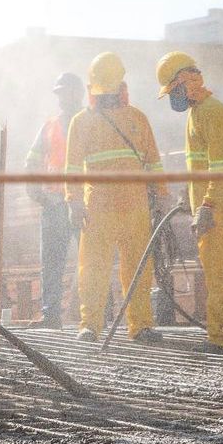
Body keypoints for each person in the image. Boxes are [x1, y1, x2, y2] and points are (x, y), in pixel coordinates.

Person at [65, 52, 166, 345]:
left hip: (134, 207)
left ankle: (141, 325)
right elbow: (72, 167)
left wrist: (161, 195)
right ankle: (90, 326)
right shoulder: (81, 122)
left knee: (138, 268)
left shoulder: (137, 118)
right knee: (94, 269)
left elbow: (154, 162)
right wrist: (73, 200)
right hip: (98, 208)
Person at [156, 52, 223, 354]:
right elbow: (203, 164)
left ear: (184, 82)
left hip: (221, 207)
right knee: (219, 274)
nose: (173, 98)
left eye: (173, 91)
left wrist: (207, 205)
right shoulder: (198, 113)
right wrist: (190, 195)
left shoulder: (210, 111)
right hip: (214, 205)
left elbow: (221, 165)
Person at [25, 72, 84, 329]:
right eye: (59, 93)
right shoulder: (50, 126)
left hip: (83, 203)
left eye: (67, 92)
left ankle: (99, 315)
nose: (62, 98)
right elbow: (33, 160)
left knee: (92, 260)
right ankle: (51, 316)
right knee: (51, 261)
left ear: (78, 93)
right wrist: (34, 189)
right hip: (54, 203)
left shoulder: (90, 121)